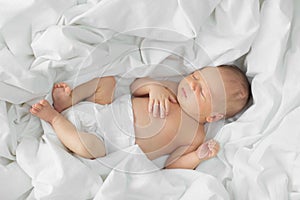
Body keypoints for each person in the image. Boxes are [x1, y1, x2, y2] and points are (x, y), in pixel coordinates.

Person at [29, 65, 250, 169]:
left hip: (107, 142)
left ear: (213, 116)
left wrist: (197, 157)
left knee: (89, 149)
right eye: (195, 76)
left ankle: (55, 119)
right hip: (104, 108)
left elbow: (173, 165)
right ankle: (69, 101)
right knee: (107, 82)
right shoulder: (171, 89)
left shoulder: (195, 135)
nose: (191, 85)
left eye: (201, 91)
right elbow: (136, 86)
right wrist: (154, 88)